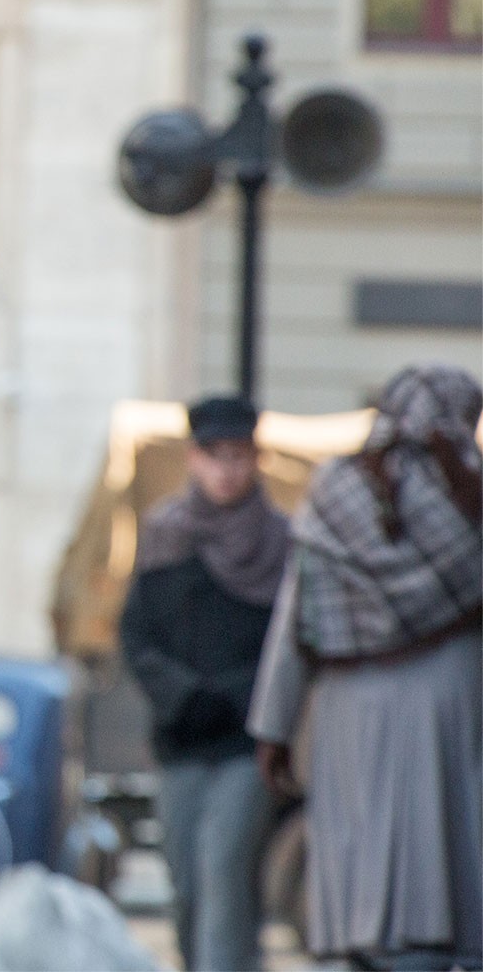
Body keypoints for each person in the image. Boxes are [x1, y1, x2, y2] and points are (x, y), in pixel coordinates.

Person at [250, 364, 482, 972]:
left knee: (359, 846)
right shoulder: (473, 497)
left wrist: (273, 726)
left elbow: (294, 619)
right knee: (441, 841)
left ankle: (365, 949)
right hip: (453, 696)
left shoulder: (333, 489)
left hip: (347, 705)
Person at [119, 394, 290, 972]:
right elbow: (138, 636)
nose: (226, 469)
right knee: (187, 885)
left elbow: (289, 645)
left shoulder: (280, 542)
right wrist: (183, 695)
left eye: (238, 455)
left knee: (224, 876)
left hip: (248, 743)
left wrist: (240, 698)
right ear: (193, 459)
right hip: (182, 739)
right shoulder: (166, 533)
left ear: (256, 459)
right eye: (214, 455)